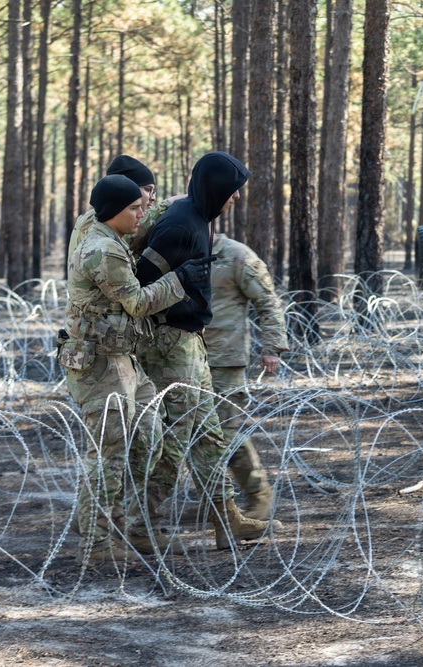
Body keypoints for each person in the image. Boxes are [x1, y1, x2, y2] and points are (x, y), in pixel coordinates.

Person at [61, 174, 210, 561]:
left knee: (150, 437)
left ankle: (128, 526)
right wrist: (179, 280)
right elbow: (139, 303)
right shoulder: (103, 251)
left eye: (143, 206)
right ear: (112, 213)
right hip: (98, 365)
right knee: (108, 453)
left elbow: (145, 210)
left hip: (123, 358)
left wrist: (183, 199)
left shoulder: (109, 233)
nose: (142, 213)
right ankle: (96, 545)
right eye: (134, 208)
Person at [135, 151, 280, 550]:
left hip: (197, 346)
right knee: (180, 439)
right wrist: (178, 284)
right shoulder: (182, 226)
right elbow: (139, 285)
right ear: (215, 187)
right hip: (172, 346)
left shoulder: (199, 223)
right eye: (232, 190)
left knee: (211, 438)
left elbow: (267, 302)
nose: (235, 198)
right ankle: (140, 524)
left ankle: (226, 519)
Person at [206, 233, 289, 520]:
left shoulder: (237, 255)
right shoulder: (178, 248)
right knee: (193, 434)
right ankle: (215, 503)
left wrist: (272, 347)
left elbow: (267, 301)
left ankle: (257, 495)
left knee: (226, 434)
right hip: (182, 359)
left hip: (225, 359)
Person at [68, 155, 158, 265]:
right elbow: (142, 227)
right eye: (148, 190)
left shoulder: (102, 216)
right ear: (128, 188)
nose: (153, 197)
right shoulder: (95, 221)